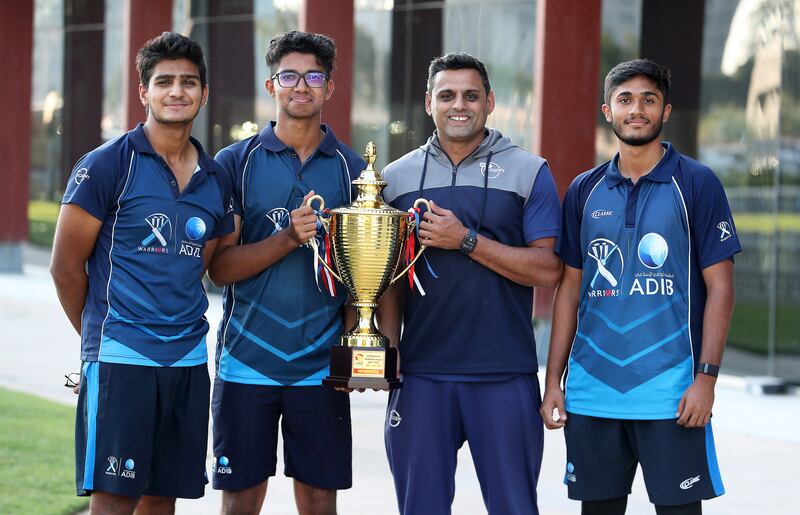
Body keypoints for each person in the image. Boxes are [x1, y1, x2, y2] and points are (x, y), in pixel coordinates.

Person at [541, 59, 741, 515]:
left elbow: (721, 290)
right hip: (592, 392)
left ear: (665, 111)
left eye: (648, 100)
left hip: (671, 394)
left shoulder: (697, 182)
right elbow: (569, 291)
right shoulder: (583, 190)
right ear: (606, 111)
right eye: (625, 99)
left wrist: (706, 380)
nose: (637, 109)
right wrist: (553, 381)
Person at [50, 32, 234, 514]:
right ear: (143, 92)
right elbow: (65, 267)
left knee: (162, 498)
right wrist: (99, 338)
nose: (177, 91)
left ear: (204, 93)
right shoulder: (107, 164)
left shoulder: (215, 178)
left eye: (189, 82)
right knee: (113, 501)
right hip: (121, 356)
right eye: (164, 81)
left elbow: (206, 265)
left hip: (189, 358)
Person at [378, 52, 562, 515]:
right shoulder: (395, 179)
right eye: (447, 95)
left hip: (503, 374)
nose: (459, 105)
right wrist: (386, 348)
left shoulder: (529, 170)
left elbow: (547, 270)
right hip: (420, 377)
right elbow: (388, 281)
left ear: (490, 102)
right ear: (428, 103)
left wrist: (465, 241)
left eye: (470, 95)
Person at [207, 31, 365, 515]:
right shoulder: (233, 163)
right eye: (290, 76)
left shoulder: (354, 171)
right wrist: (287, 239)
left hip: (319, 366)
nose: (302, 86)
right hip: (247, 361)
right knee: (241, 499)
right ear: (271, 85)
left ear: (329, 88)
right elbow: (218, 269)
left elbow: (366, 280)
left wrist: (358, 349)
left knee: (320, 500)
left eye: (314, 76)